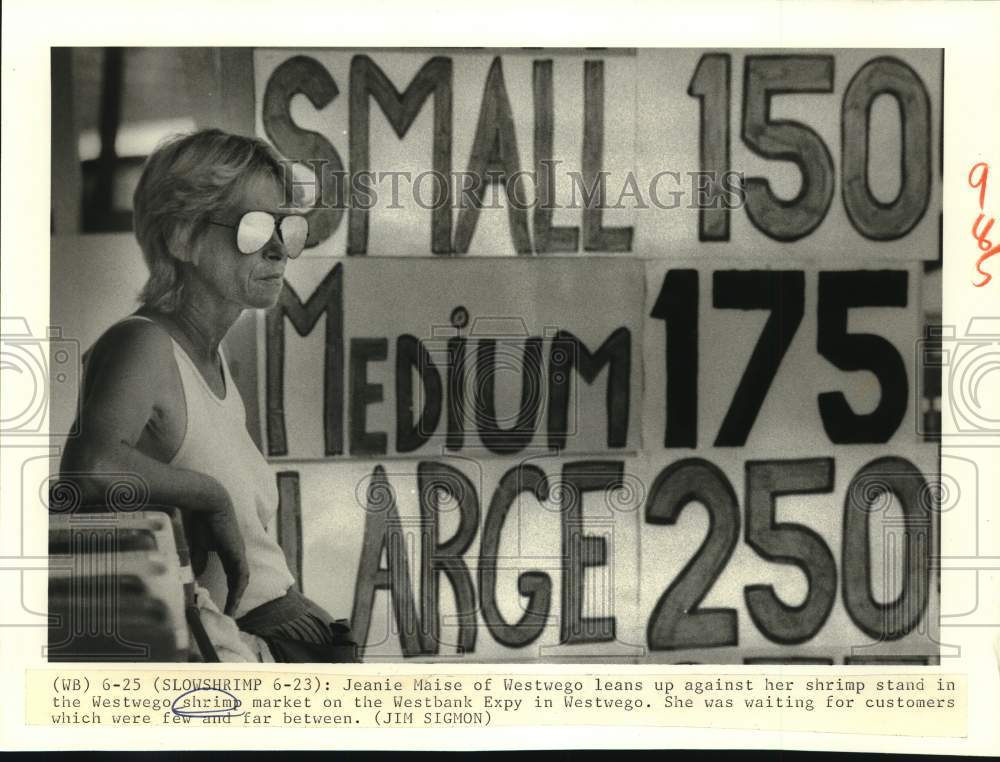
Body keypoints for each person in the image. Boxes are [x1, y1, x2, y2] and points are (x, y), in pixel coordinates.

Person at [58, 129, 358, 663]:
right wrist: (210, 493)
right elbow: (88, 467)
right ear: (182, 237)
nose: (277, 248)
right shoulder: (142, 343)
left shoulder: (209, 359)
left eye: (287, 228)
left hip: (280, 642)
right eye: (253, 226)